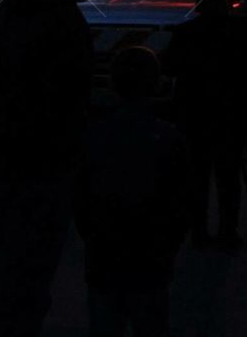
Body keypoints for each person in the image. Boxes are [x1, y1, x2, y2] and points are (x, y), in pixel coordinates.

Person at [0, 0, 114, 337]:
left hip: (14, 154)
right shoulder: (57, 17)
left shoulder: (16, 7)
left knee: (18, 262)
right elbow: (65, 95)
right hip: (41, 162)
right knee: (29, 266)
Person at [75, 46, 190, 337]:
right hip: (150, 258)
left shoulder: (93, 136)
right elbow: (179, 202)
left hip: (104, 256)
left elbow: (81, 199)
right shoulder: (169, 138)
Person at [163, 0, 247, 249]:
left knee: (198, 176)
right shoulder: (240, 31)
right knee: (228, 176)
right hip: (230, 114)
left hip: (195, 114)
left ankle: (199, 231)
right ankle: (228, 230)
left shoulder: (186, 32)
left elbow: (169, 66)